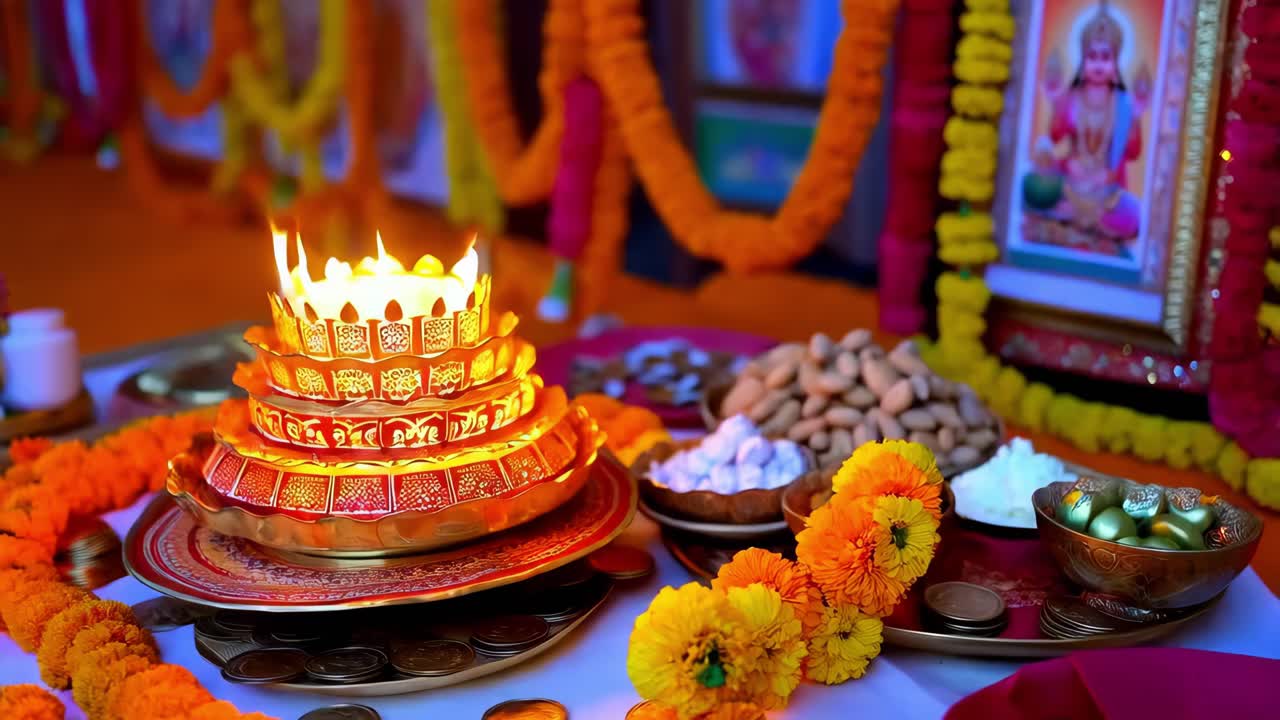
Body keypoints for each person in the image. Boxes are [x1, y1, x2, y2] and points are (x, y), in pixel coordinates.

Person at [1023, 1, 1150, 248]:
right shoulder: (1072, 97)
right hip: (1070, 181)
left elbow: (1133, 152)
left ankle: (1067, 226)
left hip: (1105, 189)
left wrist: (1136, 117)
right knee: (1032, 187)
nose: (1099, 65)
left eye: (1106, 57)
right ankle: (1085, 228)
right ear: (1083, 59)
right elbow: (1055, 137)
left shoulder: (1123, 105)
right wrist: (1054, 101)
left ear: (1116, 62)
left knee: (1134, 214)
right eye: (1092, 57)